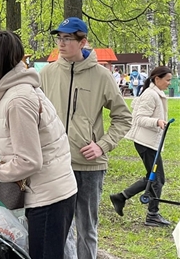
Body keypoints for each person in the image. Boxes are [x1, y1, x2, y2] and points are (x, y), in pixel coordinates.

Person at [0, 30, 77, 259]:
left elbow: (30, 160)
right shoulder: (16, 90)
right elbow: (28, 137)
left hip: (49, 196)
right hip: (49, 190)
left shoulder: (18, 99)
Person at [39, 17, 131, 259]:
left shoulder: (102, 76)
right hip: (56, 164)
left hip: (90, 166)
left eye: (68, 38)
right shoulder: (46, 74)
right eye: (59, 37)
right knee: (61, 227)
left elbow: (123, 117)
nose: (61, 42)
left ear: (83, 42)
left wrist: (102, 146)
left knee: (87, 227)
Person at [109, 66, 172, 227]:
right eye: (167, 80)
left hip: (150, 142)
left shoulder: (156, 93)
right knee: (157, 179)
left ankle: (121, 197)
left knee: (153, 177)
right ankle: (152, 215)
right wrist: (157, 122)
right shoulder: (150, 95)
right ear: (157, 79)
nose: (169, 83)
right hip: (145, 142)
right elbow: (138, 118)